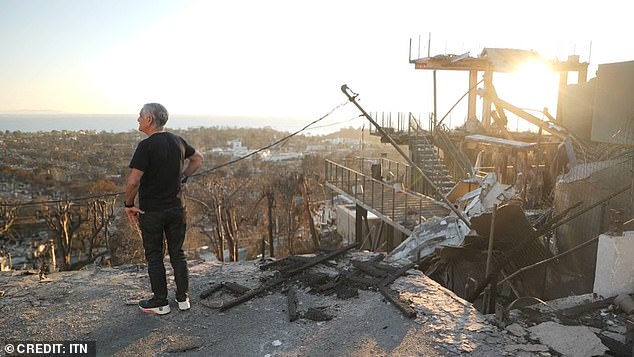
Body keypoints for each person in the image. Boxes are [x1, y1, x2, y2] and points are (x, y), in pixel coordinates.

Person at [124, 103, 203, 315]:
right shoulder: (177, 141)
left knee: (155, 256)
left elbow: (133, 182)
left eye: (140, 116)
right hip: (176, 208)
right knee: (178, 253)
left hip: (152, 212)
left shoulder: (146, 146)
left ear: (149, 119)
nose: (138, 119)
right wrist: (183, 177)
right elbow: (197, 159)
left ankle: (161, 302)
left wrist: (129, 205)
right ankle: (183, 298)